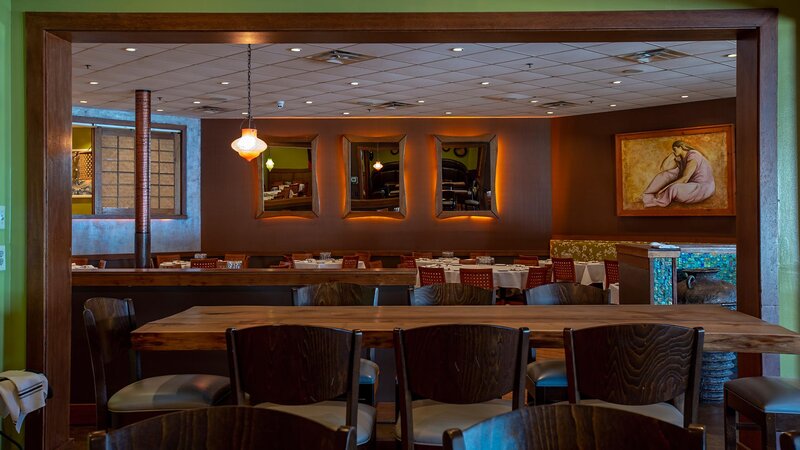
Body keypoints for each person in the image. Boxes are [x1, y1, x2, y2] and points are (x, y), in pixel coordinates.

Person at [642, 140, 715, 207]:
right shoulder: (682, 158)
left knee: (674, 188)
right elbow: (664, 168)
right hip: (690, 185)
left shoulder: (693, 155)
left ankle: (658, 200)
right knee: (666, 174)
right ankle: (648, 194)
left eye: (674, 149)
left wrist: (664, 189)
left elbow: (685, 179)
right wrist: (672, 154)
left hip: (703, 187)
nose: (673, 151)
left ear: (681, 147)